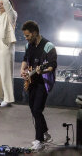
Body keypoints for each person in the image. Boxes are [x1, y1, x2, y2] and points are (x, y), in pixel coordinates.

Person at [20, 20, 57, 151]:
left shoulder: (48, 46)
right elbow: (25, 59)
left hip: (43, 82)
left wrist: (43, 70)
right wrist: (22, 70)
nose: (26, 38)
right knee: (33, 109)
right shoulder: (28, 45)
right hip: (31, 81)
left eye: (28, 36)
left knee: (37, 109)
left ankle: (39, 140)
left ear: (35, 33)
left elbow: (52, 66)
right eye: (25, 36)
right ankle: (45, 132)